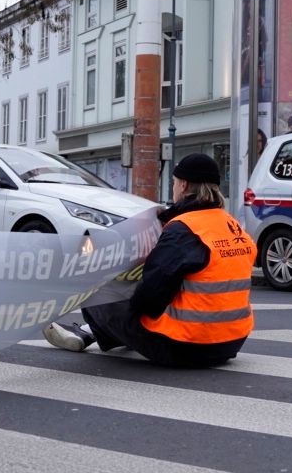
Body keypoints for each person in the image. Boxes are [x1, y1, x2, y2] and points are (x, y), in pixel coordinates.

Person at [43, 153, 254, 367]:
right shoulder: (232, 225)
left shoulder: (183, 229)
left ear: (183, 185)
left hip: (186, 346)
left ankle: (94, 332)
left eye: (173, 182)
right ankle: (90, 333)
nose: (173, 187)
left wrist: (127, 300)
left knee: (99, 290)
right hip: (231, 342)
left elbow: (151, 295)